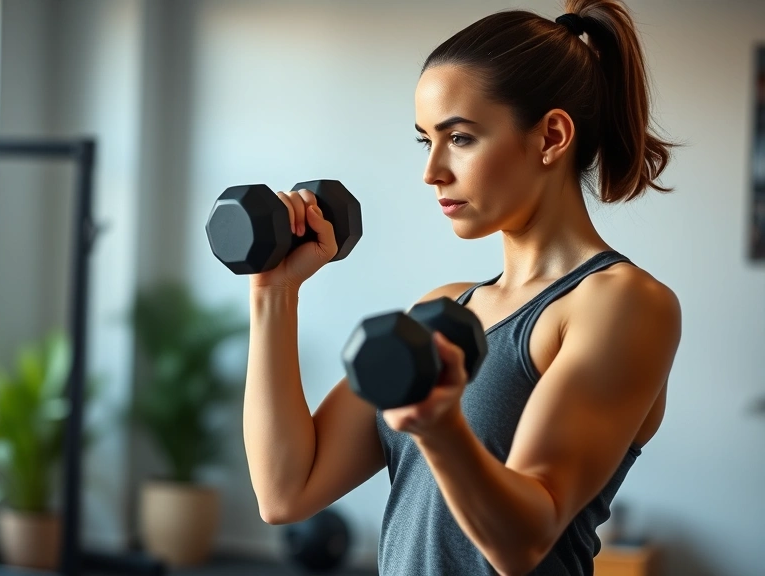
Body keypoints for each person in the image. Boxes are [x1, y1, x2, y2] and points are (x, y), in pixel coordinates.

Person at [241, 1, 682, 574]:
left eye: (462, 138)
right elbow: (285, 492)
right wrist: (274, 293)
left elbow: (523, 542)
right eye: (427, 141)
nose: (432, 171)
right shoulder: (441, 308)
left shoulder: (623, 304)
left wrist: (439, 428)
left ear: (551, 135)